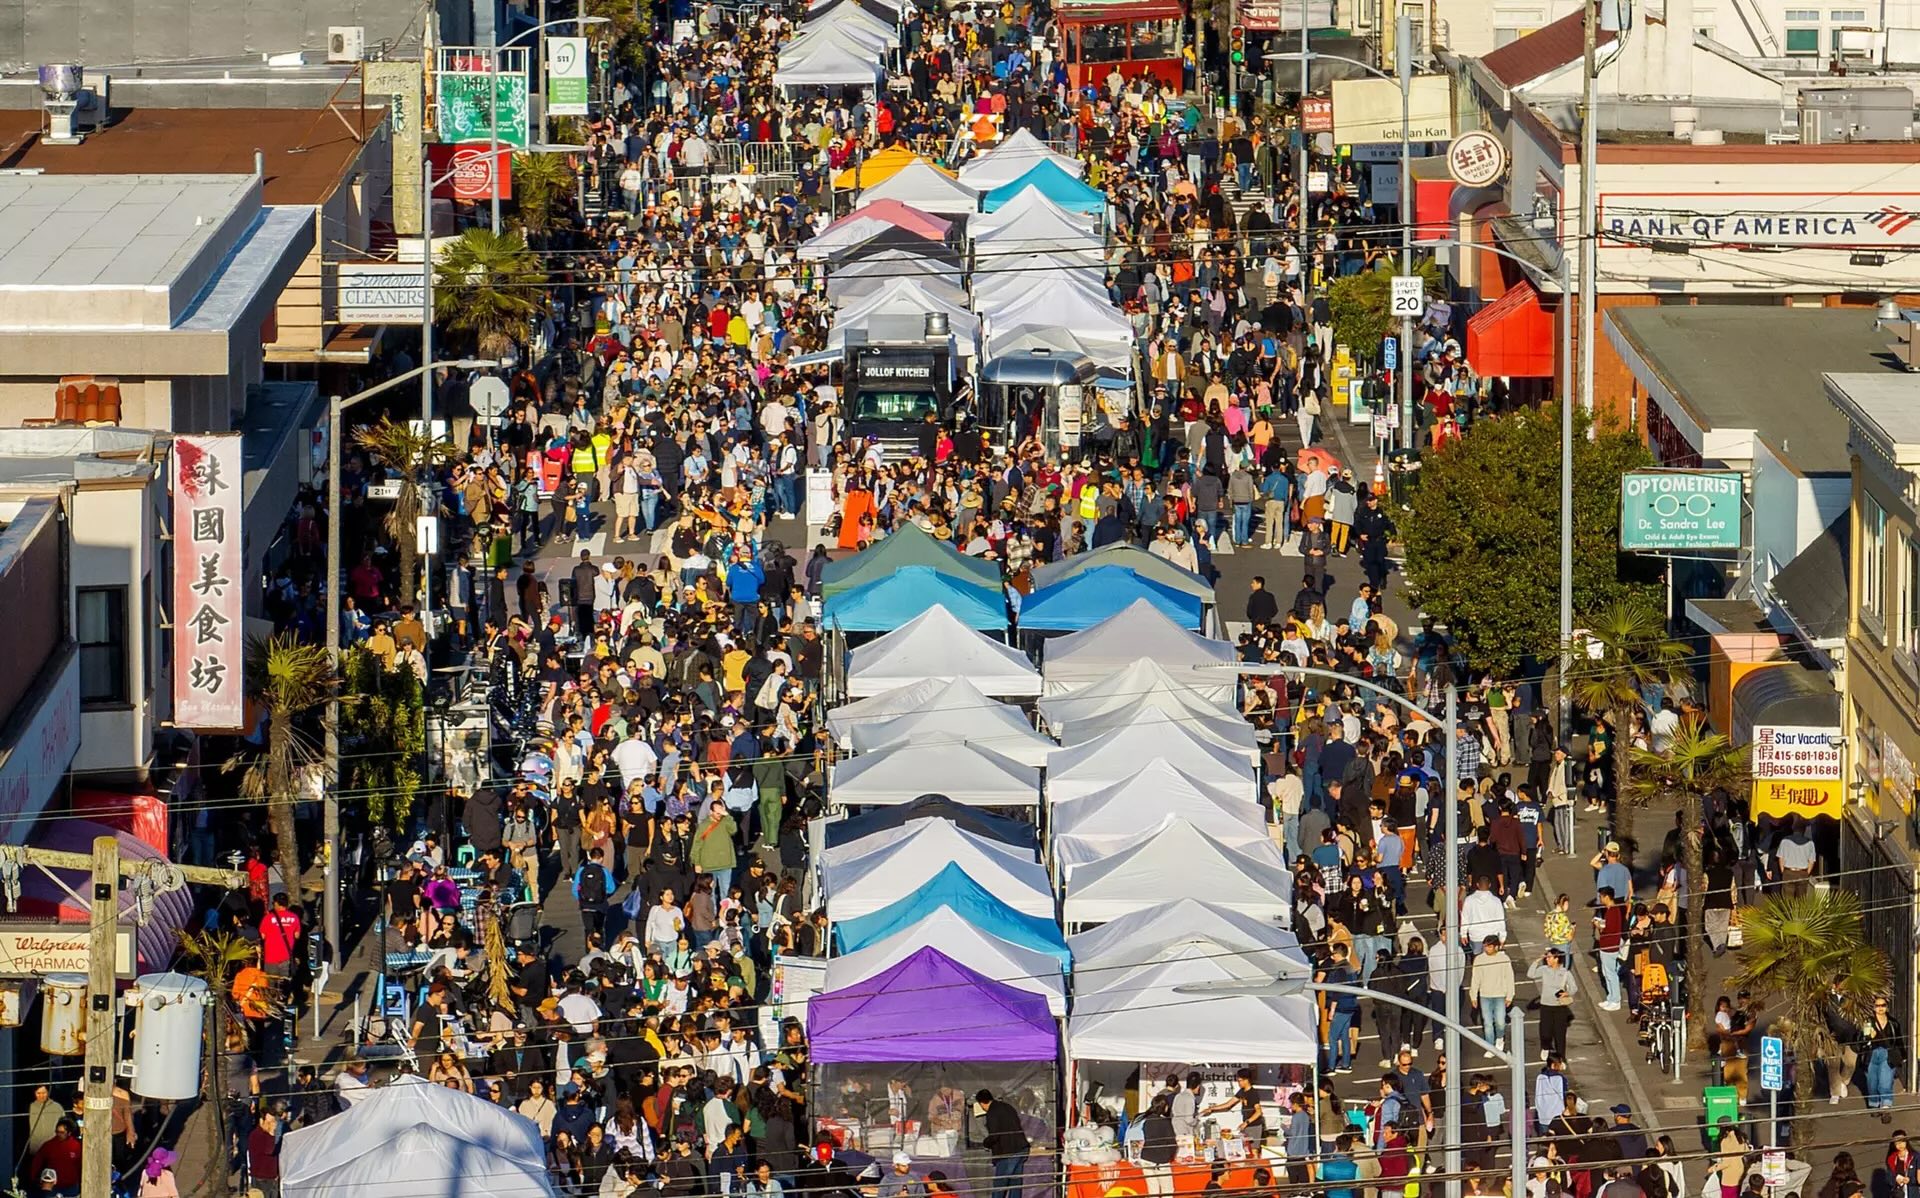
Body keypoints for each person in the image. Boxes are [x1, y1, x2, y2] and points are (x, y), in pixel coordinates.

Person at [968, 1089, 1029, 1198]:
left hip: (1007, 1152)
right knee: (1015, 1184)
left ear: (981, 1103)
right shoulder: (1007, 1107)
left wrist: (985, 1143)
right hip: (1021, 1148)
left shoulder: (992, 1113)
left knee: (1000, 1185)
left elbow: (994, 1135)